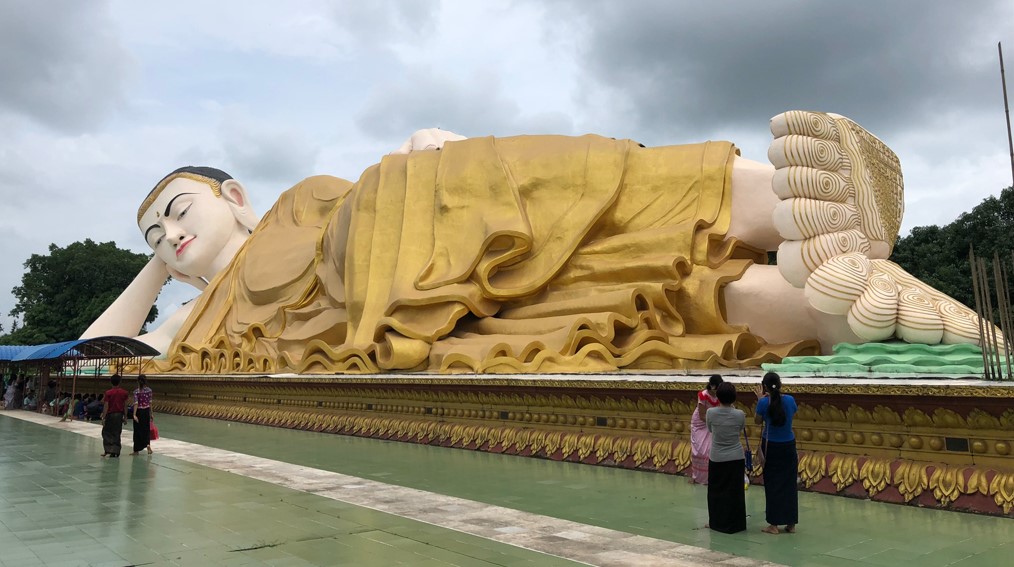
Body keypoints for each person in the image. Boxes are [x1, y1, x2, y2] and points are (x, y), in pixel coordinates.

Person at [82, 113, 998, 374]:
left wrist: (416, 159)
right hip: (373, 322)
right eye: (157, 234)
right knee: (592, 307)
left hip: (385, 245)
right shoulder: (192, 318)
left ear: (234, 194)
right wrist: (157, 266)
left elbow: (367, 207)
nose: (171, 232)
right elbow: (92, 355)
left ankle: (781, 205)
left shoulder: (302, 203)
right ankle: (817, 299)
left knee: (486, 188)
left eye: (177, 207)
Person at [753, 371, 798, 534]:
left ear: (764, 387)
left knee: (772, 484)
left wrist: (760, 401)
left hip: (771, 445)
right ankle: (791, 523)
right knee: (789, 483)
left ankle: (774, 524)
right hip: (788, 445)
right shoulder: (790, 400)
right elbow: (792, 413)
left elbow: (757, 421)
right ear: (780, 385)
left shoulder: (764, 403)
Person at [705, 382, 747, 533]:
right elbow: (740, 429)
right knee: (735, 491)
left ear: (718, 396)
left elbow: (710, 429)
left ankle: (716, 521)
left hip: (717, 456)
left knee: (716, 491)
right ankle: (736, 523)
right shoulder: (740, 414)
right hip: (736, 456)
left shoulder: (711, 413)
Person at [689, 374, 723, 484]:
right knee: (700, 450)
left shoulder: (720, 395)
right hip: (701, 423)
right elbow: (702, 415)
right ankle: (697, 477)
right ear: (712, 386)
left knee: (711, 450)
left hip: (713, 421)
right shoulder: (703, 395)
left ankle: (711, 477)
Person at [100, 375, 129, 458]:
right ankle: (116, 451)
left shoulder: (108, 393)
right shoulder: (124, 393)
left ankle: (108, 449)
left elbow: (106, 405)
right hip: (119, 415)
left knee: (106, 432)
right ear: (120, 382)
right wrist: (125, 416)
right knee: (117, 432)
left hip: (110, 414)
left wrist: (103, 417)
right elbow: (125, 405)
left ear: (111, 382)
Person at [130, 375, 154, 456]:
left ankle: (136, 450)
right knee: (146, 429)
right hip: (146, 411)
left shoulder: (136, 391)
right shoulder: (149, 390)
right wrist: (151, 413)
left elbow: (136, 403)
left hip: (139, 412)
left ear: (138, 381)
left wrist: (134, 414)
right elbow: (150, 402)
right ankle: (147, 445)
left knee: (137, 431)